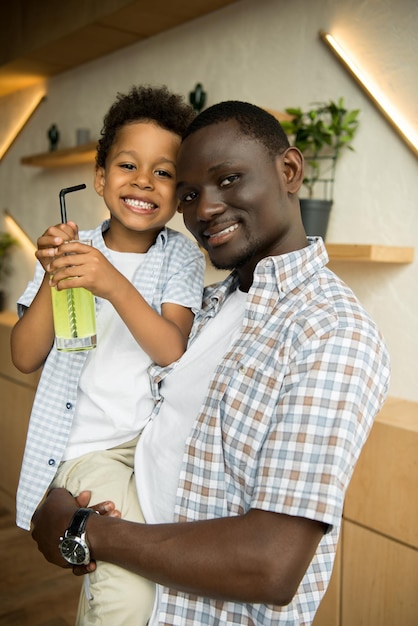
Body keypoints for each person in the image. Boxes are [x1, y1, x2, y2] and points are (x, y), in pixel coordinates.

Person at [31, 101, 390, 625]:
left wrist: (83, 532)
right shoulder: (215, 303)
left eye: (229, 179)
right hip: (133, 592)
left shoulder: (329, 331)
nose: (205, 210)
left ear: (288, 171)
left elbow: (269, 564)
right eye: (191, 194)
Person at [12, 85, 204, 625]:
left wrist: (113, 283)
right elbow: (24, 356)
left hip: (150, 452)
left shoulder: (181, 260)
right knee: (129, 591)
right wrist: (57, 275)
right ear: (99, 177)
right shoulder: (70, 252)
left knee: (113, 580)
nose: (143, 181)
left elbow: (172, 351)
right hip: (90, 450)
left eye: (163, 172)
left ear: (180, 191)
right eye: (127, 164)